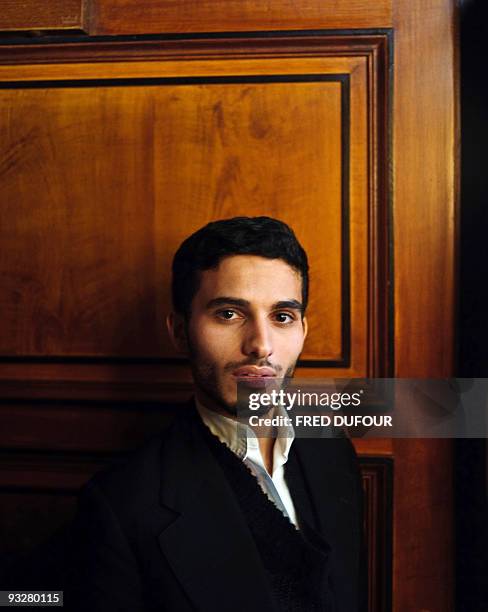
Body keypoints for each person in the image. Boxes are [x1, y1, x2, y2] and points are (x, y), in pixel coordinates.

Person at [65, 216, 365, 611]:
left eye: (282, 316)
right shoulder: (122, 503)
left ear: (303, 331)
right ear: (179, 331)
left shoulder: (333, 452)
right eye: (228, 314)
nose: (261, 345)